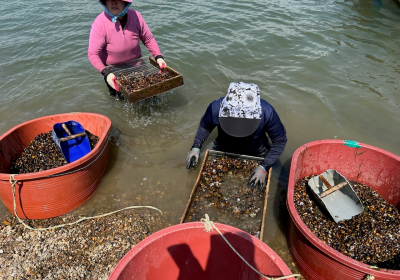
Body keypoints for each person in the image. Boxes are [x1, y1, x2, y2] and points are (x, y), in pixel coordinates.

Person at [186, 82, 287, 191]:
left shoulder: (267, 112)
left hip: (256, 151)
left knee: (277, 180)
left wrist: (264, 167)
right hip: (223, 148)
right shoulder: (215, 108)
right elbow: (205, 127)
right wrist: (196, 147)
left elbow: (279, 141)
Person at [88, 0, 166, 96]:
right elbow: (93, 54)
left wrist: (158, 57)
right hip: (113, 73)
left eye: (118, 0)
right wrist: (106, 73)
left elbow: (148, 39)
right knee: (120, 101)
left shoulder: (136, 16)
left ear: (126, 3)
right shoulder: (100, 23)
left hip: (138, 66)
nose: (114, 2)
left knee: (151, 96)